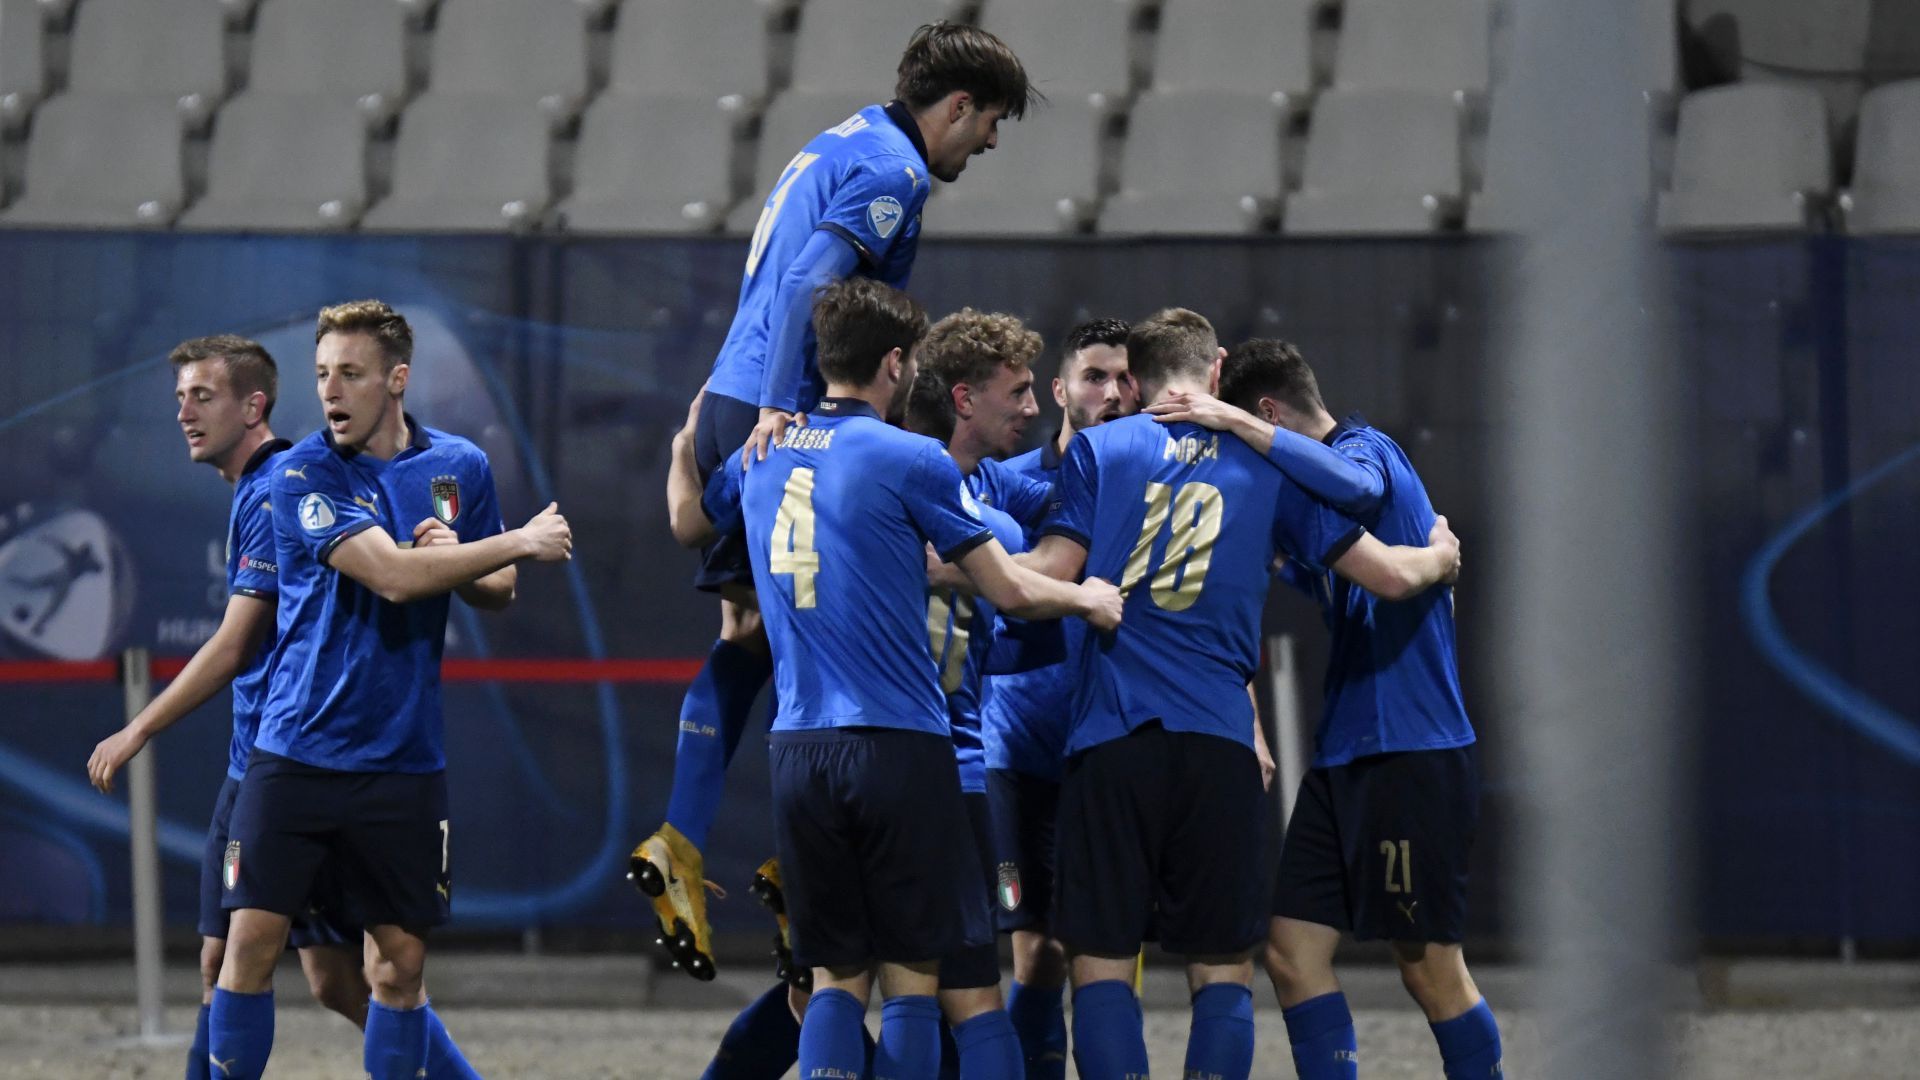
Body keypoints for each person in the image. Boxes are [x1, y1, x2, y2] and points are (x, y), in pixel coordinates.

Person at [634, 19, 1037, 981]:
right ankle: (729, 847)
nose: (988, 145)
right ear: (957, 107)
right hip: (792, 405)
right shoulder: (896, 172)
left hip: (741, 392)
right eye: (989, 125)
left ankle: (728, 848)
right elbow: (814, 279)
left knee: (758, 624)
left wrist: (743, 405)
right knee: (816, 620)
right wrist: (784, 403)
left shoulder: (844, 135)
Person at [669, 278, 1122, 1078]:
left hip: (800, 749)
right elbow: (1012, 589)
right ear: (895, 364)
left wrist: (683, 445)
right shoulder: (916, 463)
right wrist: (1088, 599)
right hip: (907, 752)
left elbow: (687, 521)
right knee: (935, 988)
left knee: (832, 981)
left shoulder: (765, 450)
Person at [1021, 309, 1461, 1080]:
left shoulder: (1099, 449)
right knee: (1223, 970)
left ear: (1134, 380)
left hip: (1111, 740)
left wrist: (952, 561)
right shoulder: (1270, 468)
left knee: (1098, 963)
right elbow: (1387, 575)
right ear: (1217, 371)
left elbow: (1045, 575)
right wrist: (1440, 557)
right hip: (1222, 746)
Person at [207, 300, 572, 1080]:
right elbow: (395, 579)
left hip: (402, 763)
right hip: (296, 753)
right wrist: (519, 541)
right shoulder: (303, 470)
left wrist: (468, 551)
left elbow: (497, 589)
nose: (330, 392)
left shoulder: (458, 467)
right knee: (248, 951)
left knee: (398, 971)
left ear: (397, 380)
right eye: (321, 375)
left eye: (350, 374)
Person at [1146, 338, 1504, 1080]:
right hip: (1345, 758)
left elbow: (1357, 490)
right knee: (1290, 953)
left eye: (1249, 424)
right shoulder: (1316, 501)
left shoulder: (1369, 449)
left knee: (1430, 971)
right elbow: (1345, 573)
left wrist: (1238, 427)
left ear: (1268, 411)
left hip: (1411, 751)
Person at [85, 335, 367, 1080]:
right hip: (257, 766)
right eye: (179, 397)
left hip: (288, 768)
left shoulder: (278, 484)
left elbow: (237, 643)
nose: (184, 412)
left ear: (254, 405)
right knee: (261, 967)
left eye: (202, 397)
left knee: (315, 974)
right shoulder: (258, 487)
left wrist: (138, 727)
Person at [977, 316, 1137, 1075]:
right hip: (1019, 750)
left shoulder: (1151, 480)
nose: (1109, 391)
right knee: (1036, 950)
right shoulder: (1008, 482)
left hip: (1111, 746)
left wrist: (1254, 726)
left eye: (1121, 377)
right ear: (1060, 389)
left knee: (1103, 947)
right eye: (1094, 376)